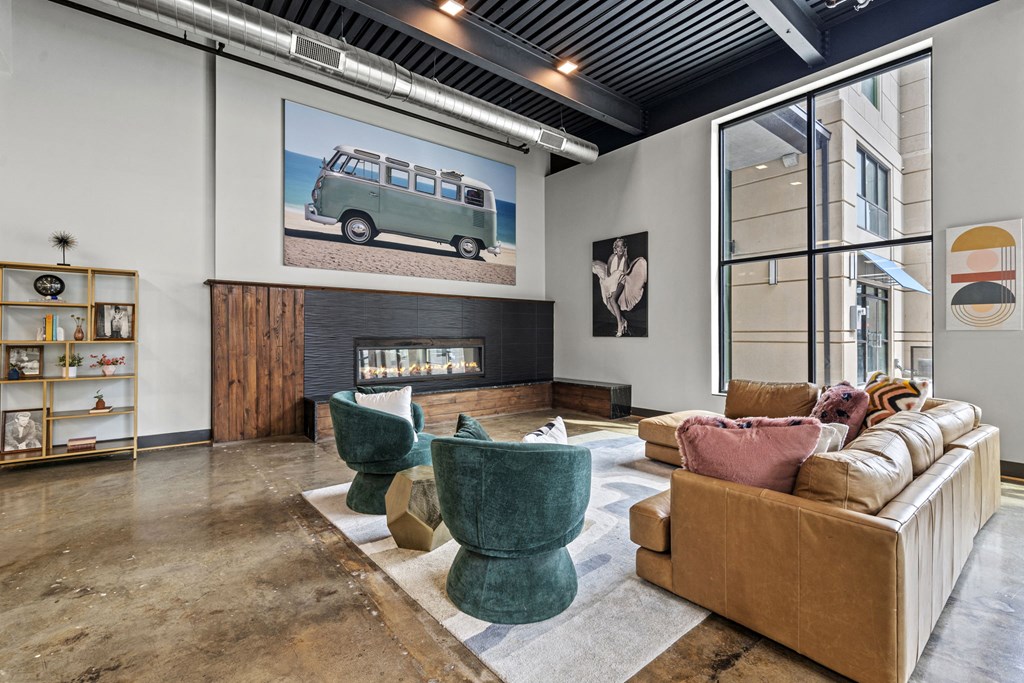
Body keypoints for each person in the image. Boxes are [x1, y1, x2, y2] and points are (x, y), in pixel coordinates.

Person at [592, 237, 648, 337]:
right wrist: (611, 285)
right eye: (618, 247)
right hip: (612, 281)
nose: (620, 248)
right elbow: (608, 274)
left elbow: (626, 272)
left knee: (613, 300)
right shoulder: (611, 258)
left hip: (622, 281)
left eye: (622, 246)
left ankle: (619, 326)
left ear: (625, 248)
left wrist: (626, 259)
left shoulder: (625, 258)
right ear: (615, 248)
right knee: (609, 304)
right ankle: (623, 321)